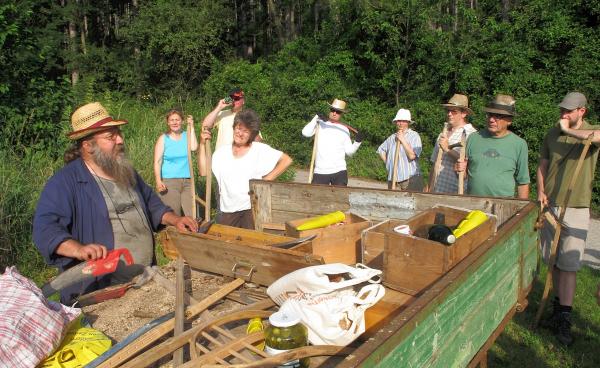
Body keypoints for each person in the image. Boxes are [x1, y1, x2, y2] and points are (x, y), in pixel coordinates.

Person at [33, 102, 198, 304]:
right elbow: (45, 228)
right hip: (101, 291)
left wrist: (175, 219)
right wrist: (78, 249)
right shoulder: (66, 182)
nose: (120, 140)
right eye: (111, 137)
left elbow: (151, 203)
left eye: (118, 133)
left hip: (143, 280)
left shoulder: (124, 170)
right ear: (88, 146)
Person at [537, 92, 600, 345]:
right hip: (550, 204)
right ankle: (554, 307)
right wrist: (541, 190)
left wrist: (570, 132)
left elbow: (596, 138)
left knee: (569, 263)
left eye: (569, 111)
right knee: (551, 260)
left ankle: (565, 317)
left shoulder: (592, 131)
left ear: (581, 111)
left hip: (575, 206)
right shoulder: (552, 133)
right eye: (562, 109)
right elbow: (543, 164)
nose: (564, 114)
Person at [199, 109, 292, 229]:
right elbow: (203, 171)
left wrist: (266, 180)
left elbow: (286, 160)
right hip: (228, 210)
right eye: (238, 128)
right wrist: (202, 145)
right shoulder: (221, 153)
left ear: (252, 135)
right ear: (234, 128)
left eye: (246, 131)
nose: (240, 134)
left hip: (252, 209)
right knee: (228, 244)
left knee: (250, 243)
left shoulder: (259, 150)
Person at [455, 94, 530, 199]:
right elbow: (464, 175)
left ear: (509, 120)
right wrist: (459, 170)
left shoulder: (519, 144)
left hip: (502, 206)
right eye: (490, 115)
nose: (491, 120)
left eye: (498, 116)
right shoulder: (473, 138)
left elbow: (523, 182)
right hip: (473, 203)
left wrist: (523, 211)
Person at [302, 99, 364, 186]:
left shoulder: (344, 129)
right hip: (320, 171)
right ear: (329, 110)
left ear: (341, 114)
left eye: (338, 112)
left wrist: (357, 142)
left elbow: (350, 152)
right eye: (332, 110)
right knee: (316, 198)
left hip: (339, 171)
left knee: (339, 199)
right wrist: (316, 117)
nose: (334, 113)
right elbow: (305, 133)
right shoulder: (320, 123)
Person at [153, 109, 198, 217]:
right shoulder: (163, 139)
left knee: (192, 215)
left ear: (182, 121)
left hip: (188, 180)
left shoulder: (187, 135)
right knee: (174, 215)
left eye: (177, 120)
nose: (174, 122)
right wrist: (158, 181)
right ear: (168, 122)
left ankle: (192, 233)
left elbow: (194, 147)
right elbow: (157, 161)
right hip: (170, 181)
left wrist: (191, 127)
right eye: (172, 120)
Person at [429, 94, 477, 193]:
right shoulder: (443, 133)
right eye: (448, 111)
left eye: (454, 111)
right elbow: (435, 163)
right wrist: (429, 185)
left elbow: (471, 163)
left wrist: (447, 149)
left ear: (464, 114)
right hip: (437, 188)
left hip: (455, 191)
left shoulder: (471, 134)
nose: (449, 114)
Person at [377, 108, 424, 190]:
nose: (400, 123)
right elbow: (381, 149)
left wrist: (403, 140)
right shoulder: (392, 137)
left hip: (410, 180)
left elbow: (412, 156)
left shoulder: (414, 136)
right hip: (394, 180)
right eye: (398, 120)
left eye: (403, 121)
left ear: (408, 122)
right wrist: (388, 163)